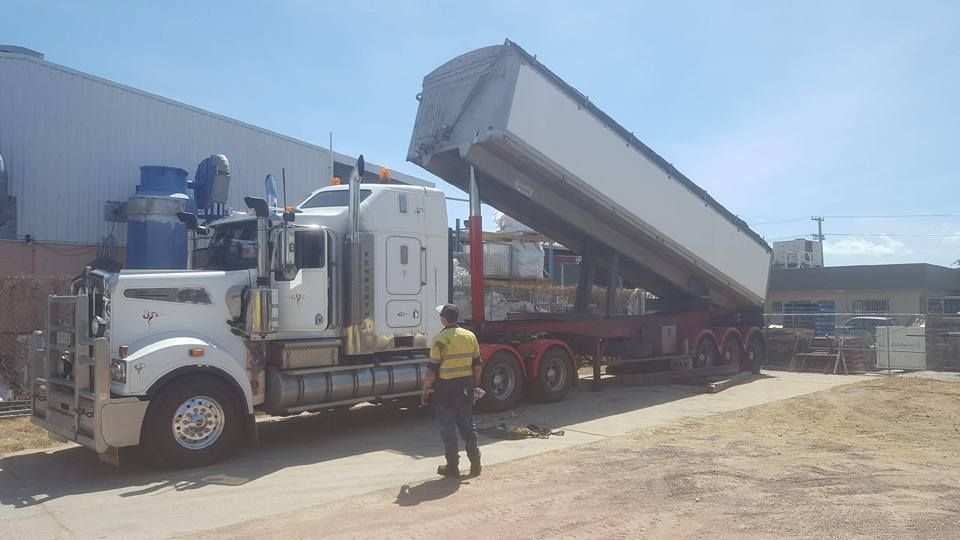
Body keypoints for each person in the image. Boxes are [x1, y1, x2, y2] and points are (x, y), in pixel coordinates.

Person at [421, 304, 483, 478]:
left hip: (445, 391)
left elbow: (432, 371)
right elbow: (477, 366)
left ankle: (452, 467)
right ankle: (476, 465)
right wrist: (474, 387)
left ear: (444, 320)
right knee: (468, 427)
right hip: (465, 388)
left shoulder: (440, 340)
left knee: (448, 429)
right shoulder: (470, 336)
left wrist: (425, 389)